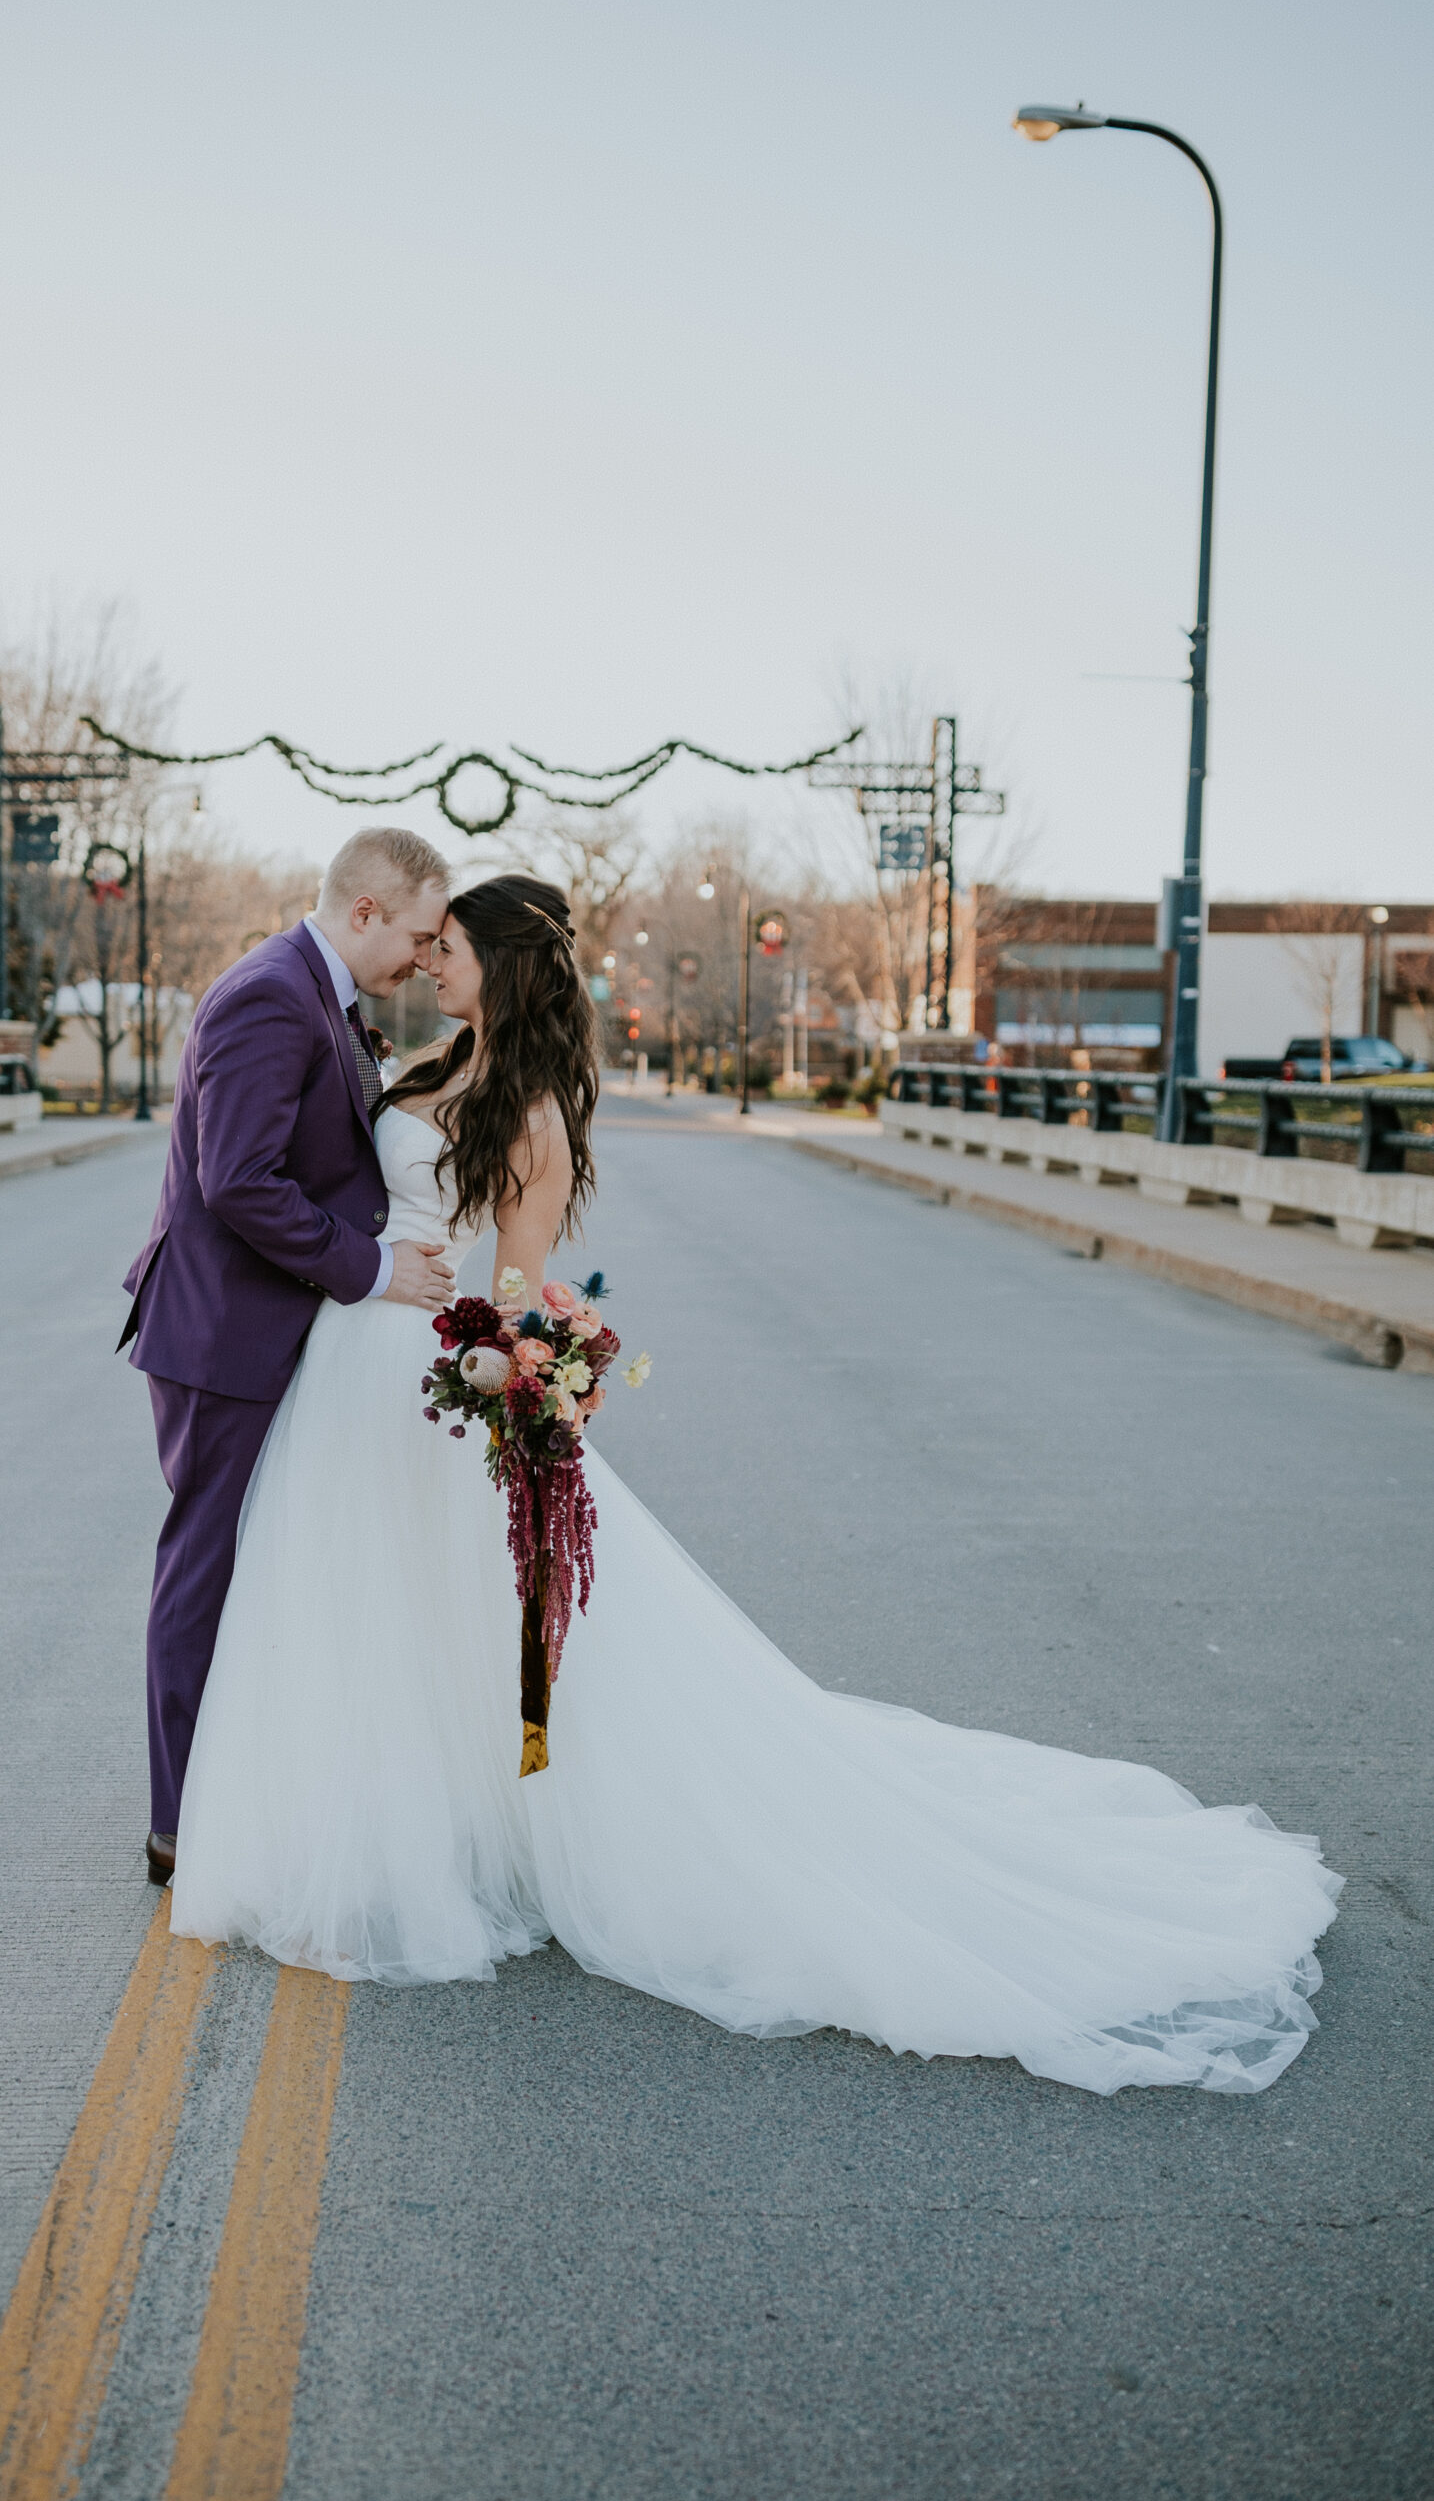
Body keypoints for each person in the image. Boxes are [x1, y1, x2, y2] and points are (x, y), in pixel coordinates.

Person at [169, 873, 1341, 2096]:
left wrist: (504, 1368)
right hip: (347, 1365)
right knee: (362, 1611)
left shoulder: (531, 1117)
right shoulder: (416, 1061)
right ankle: (383, 1833)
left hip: (425, 1368)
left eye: (448, 946)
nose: (427, 962)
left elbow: (516, 1291)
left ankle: (467, 1846)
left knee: (461, 1616)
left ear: (502, 967)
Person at [120, 826, 455, 1886]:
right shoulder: (270, 993)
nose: (419, 956)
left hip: (270, 1327)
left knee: (254, 1568)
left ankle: (243, 1792)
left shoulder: (327, 999)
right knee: (206, 1570)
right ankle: (179, 1823)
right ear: (364, 912)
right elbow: (239, 1179)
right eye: (414, 933)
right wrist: (367, 1269)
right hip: (223, 1332)